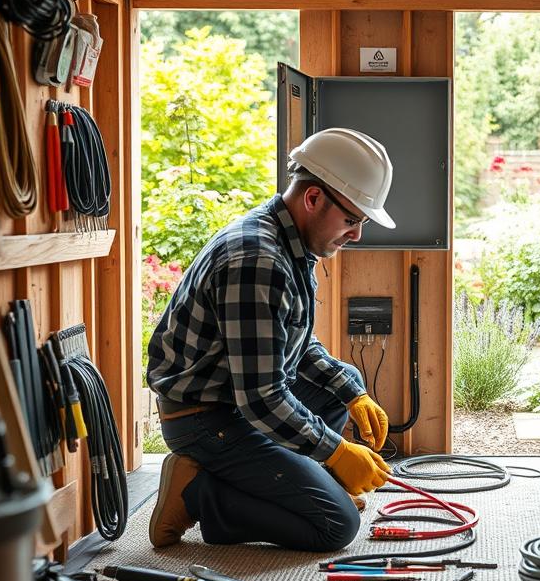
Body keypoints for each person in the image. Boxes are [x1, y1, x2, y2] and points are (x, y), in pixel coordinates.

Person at [146, 128, 395, 551]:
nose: (357, 235)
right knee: (336, 526)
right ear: (313, 198)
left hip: (234, 399)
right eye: (352, 220)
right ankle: (199, 491)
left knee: (340, 382)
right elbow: (261, 397)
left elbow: (296, 346)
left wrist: (352, 393)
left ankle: (290, 485)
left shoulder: (292, 243)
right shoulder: (258, 260)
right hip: (204, 419)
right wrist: (335, 452)